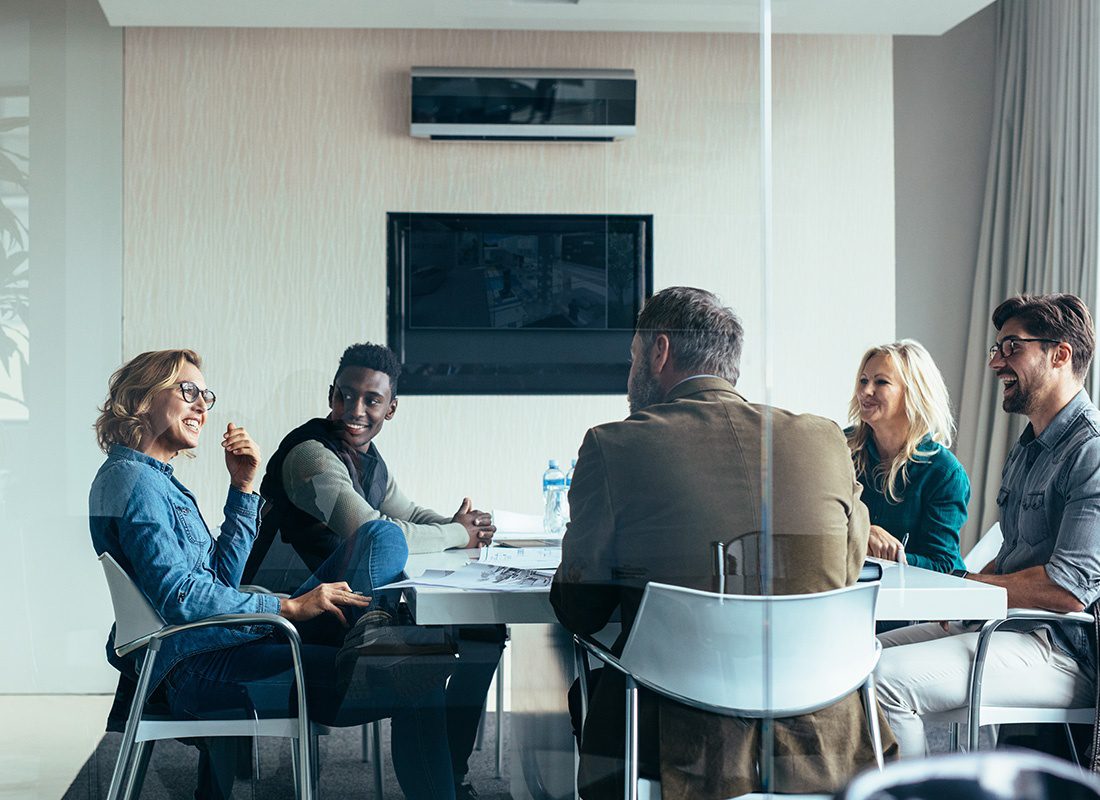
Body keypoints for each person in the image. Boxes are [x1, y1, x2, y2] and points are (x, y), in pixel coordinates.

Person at [551, 286, 892, 800]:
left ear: (660, 351)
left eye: (633, 357)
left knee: (590, 687)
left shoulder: (613, 445)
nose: (630, 374)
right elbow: (842, 577)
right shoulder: (825, 439)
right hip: (823, 734)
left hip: (677, 744)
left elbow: (582, 609)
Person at [89, 349, 456, 800]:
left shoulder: (153, 480)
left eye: (205, 395)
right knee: (417, 677)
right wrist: (287, 606)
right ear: (144, 396)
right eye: (188, 391)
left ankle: (370, 637)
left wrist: (242, 488)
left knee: (380, 538)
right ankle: (372, 642)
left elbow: (218, 583)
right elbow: (181, 598)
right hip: (205, 669)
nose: (203, 405)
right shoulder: (134, 482)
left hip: (224, 645)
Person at [249, 342, 503, 799]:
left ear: (392, 409)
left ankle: (454, 771)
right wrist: (454, 535)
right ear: (330, 395)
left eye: (371, 400)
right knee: (412, 650)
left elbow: (406, 511)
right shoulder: (311, 455)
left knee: (483, 629)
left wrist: (459, 525)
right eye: (345, 395)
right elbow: (373, 529)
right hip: (286, 614)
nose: (355, 409)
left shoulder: (368, 458)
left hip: (340, 610)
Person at [875, 293, 1100, 757]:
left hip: (1061, 648)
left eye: (1011, 347)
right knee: (857, 661)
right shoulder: (1028, 448)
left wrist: (963, 585)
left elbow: (1066, 590)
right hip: (1006, 626)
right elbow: (1016, 555)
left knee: (883, 683)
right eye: (996, 349)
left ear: (1061, 355)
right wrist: (966, 597)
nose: (996, 362)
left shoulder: (1091, 451)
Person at [847, 340, 969, 572]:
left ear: (914, 393)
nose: (865, 391)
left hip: (916, 602)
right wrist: (863, 532)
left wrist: (892, 556)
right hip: (854, 592)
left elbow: (943, 564)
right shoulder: (842, 448)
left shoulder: (944, 473)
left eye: (880, 382)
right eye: (863, 380)